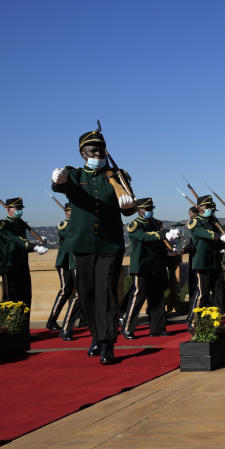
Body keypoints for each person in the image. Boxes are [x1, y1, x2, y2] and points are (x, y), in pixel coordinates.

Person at [51, 130, 137, 365]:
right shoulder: (76, 175)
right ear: (83, 153)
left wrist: (129, 204)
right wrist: (57, 180)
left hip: (110, 244)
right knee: (87, 294)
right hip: (83, 245)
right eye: (92, 149)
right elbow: (61, 185)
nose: (97, 152)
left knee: (106, 294)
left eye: (100, 149)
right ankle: (96, 337)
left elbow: (128, 208)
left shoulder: (117, 176)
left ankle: (107, 344)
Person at [122, 198, 177, 338]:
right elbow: (145, 237)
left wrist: (168, 250)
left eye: (151, 208)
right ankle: (128, 327)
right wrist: (162, 234)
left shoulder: (155, 223)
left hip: (156, 266)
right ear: (138, 210)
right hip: (142, 266)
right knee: (138, 296)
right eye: (146, 209)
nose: (149, 211)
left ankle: (158, 328)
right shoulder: (135, 225)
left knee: (157, 297)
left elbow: (158, 243)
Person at [0, 197, 48, 320]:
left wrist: (37, 246)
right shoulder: (2, 225)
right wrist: (33, 247)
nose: (19, 210)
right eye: (17, 208)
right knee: (12, 300)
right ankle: (11, 332)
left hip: (23, 266)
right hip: (10, 267)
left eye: (20, 208)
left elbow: (22, 246)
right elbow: (15, 240)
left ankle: (24, 332)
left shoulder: (20, 224)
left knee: (26, 299)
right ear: (8, 209)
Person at [187, 195, 225, 315]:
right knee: (202, 293)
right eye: (206, 206)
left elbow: (216, 243)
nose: (209, 208)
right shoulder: (195, 223)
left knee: (220, 292)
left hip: (215, 262)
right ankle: (193, 321)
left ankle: (221, 319)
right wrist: (221, 236)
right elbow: (205, 234)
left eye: (210, 206)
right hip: (202, 262)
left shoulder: (211, 222)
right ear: (200, 208)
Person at [46, 203, 75, 331]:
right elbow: (70, 235)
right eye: (70, 212)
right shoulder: (64, 225)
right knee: (65, 290)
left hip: (74, 262)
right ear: (67, 213)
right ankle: (51, 320)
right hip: (64, 262)